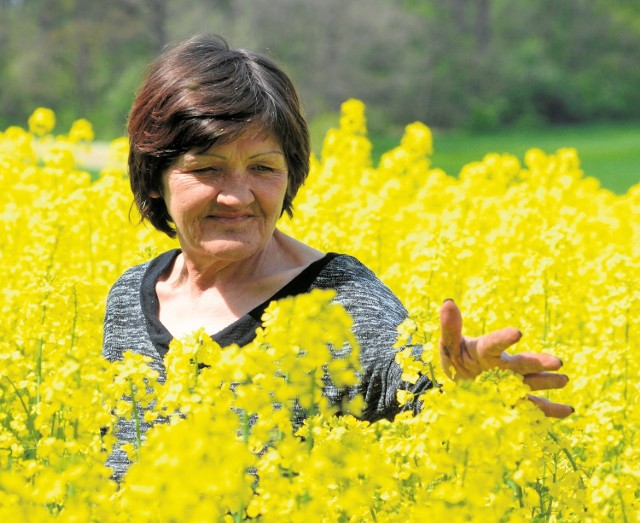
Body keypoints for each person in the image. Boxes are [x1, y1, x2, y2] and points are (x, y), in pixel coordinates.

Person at [102, 34, 572, 481]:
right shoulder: (127, 298)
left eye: (264, 168)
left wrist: (460, 384)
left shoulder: (341, 303)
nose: (238, 196)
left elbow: (408, 381)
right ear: (153, 179)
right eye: (207, 169)